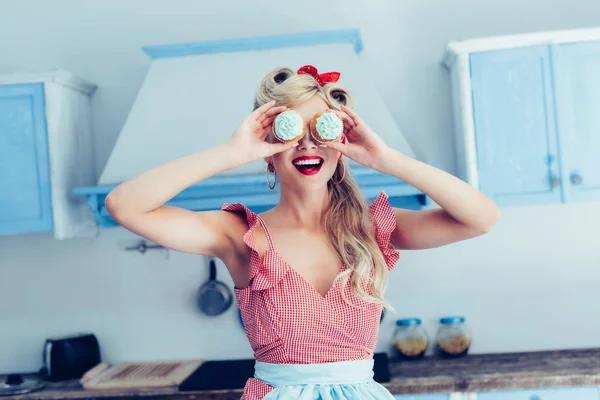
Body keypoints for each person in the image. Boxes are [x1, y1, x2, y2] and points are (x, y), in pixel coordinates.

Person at [105, 64, 499, 399]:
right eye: (290, 131)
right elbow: (125, 206)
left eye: (320, 129)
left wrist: (387, 158)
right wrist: (230, 153)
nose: (307, 144)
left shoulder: (372, 227)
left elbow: (480, 218)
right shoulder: (239, 234)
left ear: (339, 143)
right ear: (268, 146)